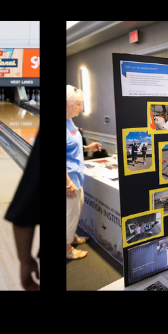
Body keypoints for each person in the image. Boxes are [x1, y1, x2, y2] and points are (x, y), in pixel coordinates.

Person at [67, 85, 100, 260]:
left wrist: (87, 148)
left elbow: (72, 147)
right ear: (66, 104)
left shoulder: (69, 121)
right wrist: (68, 183)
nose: (81, 108)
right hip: (69, 180)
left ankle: (71, 237)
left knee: (74, 212)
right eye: (78, 104)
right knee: (69, 214)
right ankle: (67, 249)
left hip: (76, 176)